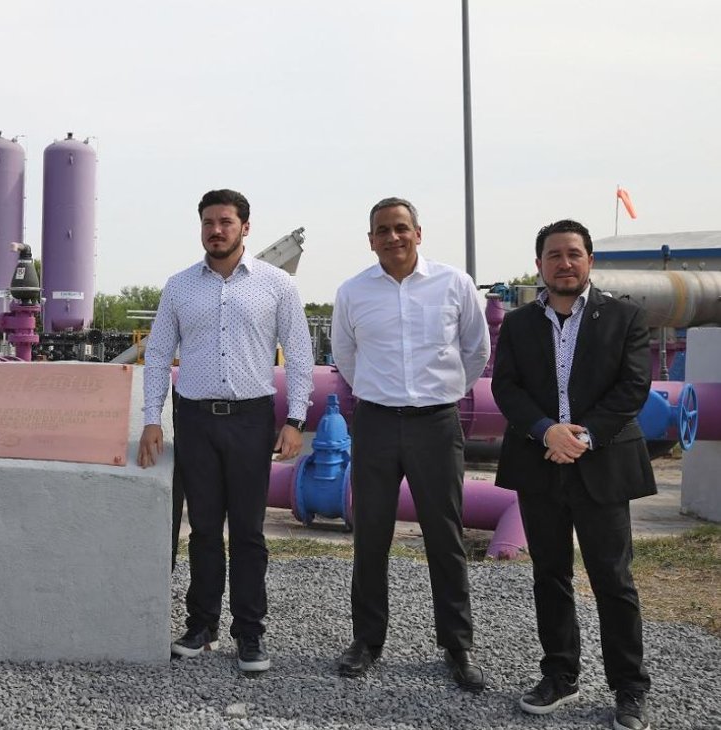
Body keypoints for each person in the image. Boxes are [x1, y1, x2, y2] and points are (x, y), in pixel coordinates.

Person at [138, 189, 313, 673]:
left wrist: (295, 419)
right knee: (204, 529)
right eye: (208, 222)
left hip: (250, 420)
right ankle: (201, 625)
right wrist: (152, 418)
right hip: (194, 419)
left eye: (226, 222)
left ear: (245, 228)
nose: (216, 230)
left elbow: (299, 354)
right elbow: (156, 356)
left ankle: (250, 633)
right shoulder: (178, 287)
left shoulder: (276, 285)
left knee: (250, 532)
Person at [492, 219, 654, 730]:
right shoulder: (519, 324)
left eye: (574, 254)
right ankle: (560, 674)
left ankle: (629, 687)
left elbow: (633, 388)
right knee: (550, 575)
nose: (565, 263)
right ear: (539, 264)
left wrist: (580, 438)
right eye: (554, 255)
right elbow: (507, 387)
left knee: (613, 579)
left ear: (590, 260)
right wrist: (546, 432)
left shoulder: (625, 317)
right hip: (540, 464)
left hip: (601, 464)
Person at [329, 197, 489, 691]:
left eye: (401, 228)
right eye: (382, 230)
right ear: (370, 239)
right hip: (376, 423)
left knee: (445, 535)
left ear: (418, 233)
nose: (393, 237)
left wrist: (437, 394)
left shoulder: (455, 285)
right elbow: (346, 357)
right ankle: (367, 640)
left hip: (436, 425)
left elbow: (475, 351)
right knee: (370, 534)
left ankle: (457, 645)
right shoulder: (353, 292)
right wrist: (384, 396)